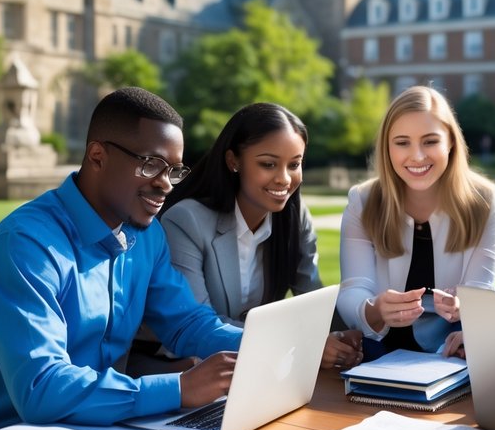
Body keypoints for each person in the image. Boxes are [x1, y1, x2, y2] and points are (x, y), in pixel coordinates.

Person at [0, 88, 242, 430]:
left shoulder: (145, 236)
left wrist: (261, 344)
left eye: (174, 171)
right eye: (150, 164)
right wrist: (178, 389)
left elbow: (187, 323)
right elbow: (41, 388)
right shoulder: (24, 246)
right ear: (97, 156)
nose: (165, 185)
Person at [133, 102, 362, 371]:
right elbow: (198, 326)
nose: (284, 179)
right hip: (174, 368)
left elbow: (313, 301)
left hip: (251, 368)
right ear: (234, 161)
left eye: (294, 164)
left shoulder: (294, 217)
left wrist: (349, 336)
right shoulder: (187, 221)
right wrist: (302, 344)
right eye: (268, 164)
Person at [338, 85, 495, 357]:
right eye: (402, 143)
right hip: (376, 351)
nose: (417, 156)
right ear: (387, 148)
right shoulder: (363, 200)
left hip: (450, 355)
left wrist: (465, 305)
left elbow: (480, 290)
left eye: (430, 141)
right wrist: (376, 308)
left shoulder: (484, 201)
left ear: (450, 141)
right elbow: (353, 290)